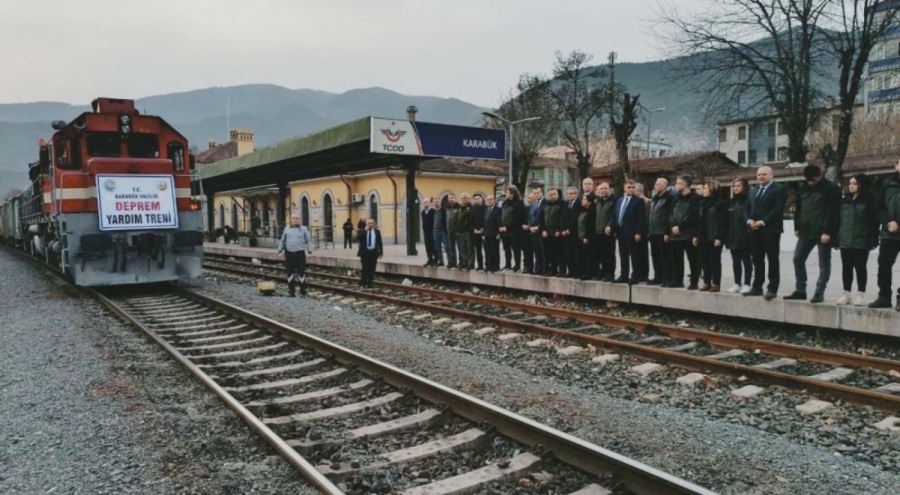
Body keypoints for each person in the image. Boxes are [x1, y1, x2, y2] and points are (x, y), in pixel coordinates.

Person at [785, 165, 841, 303]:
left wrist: (827, 231)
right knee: (798, 258)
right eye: (808, 180)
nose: (811, 183)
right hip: (805, 231)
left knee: (823, 263)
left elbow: (833, 212)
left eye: (813, 180)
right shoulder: (803, 188)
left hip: (823, 232)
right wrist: (797, 227)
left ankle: (819, 292)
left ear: (820, 175)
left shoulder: (831, 189)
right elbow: (798, 210)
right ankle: (800, 290)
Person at [743, 165, 788, 300]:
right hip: (754, 230)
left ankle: (772, 288)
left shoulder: (780, 189)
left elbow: (777, 209)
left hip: (770, 230)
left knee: (772, 259)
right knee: (757, 259)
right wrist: (748, 220)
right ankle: (757, 287)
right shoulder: (753, 190)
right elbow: (746, 208)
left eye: (764, 174)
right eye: (759, 174)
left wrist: (763, 222)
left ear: (771, 175)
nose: (761, 177)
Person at [836, 174, 879, 306]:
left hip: (862, 239)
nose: (851, 186)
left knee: (860, 267)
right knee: (846, 268)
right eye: (850, 183)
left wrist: (873, 238)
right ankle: (846, 293)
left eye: (854, 183)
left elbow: (874, 222)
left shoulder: (869, 200)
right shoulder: (844, 200)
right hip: (845, 239)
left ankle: (860, 294)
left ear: (861, 184)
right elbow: (838, 220)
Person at [869, 157, 900, 310]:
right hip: (889, 233)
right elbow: (879, 207)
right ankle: (884, 297)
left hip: (896, 227)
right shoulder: (887, 183)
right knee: (884, 264)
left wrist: (898, 223)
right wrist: (888, 223)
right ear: (896, 165)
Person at [606, 180, 646, 283]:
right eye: (629, 187)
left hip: (632, 231)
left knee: (634, 255)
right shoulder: (619, 200)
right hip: (620, 231)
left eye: (633, 187)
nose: (631, 189)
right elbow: (615, 214)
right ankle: (624, 275)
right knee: (623, 254)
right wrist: (609, 225)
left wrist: (638, 232)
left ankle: (635, 276)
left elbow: (641, 218)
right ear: (624, 188)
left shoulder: (638, 201)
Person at [665, 175, 701, 289]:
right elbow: (670, 213)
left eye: (678, 183)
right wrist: (672, 225)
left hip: (688, 232)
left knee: (693, 259)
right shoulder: (675, 197)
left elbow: (693, 215)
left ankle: (694, 282)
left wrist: (680, 226)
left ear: (685, 184)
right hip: (674, 233)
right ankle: (677, 280)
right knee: (676, 258)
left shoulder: (695, 198)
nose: (675, 185)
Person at [693, 181, 728, 292]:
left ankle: (716, 283)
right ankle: (706, 282)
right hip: (703, 235)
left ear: (713, 189)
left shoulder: (720, 203)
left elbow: (723, 221)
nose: (703, 190)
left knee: (714, 260)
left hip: (714, 236)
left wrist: (719, 237)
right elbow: (698, 221)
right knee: (704, 260)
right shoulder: (702, 203)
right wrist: (695, 235)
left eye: (705, 188)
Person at [725, 178, 753, 294]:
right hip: (733, 236)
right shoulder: (731, 202)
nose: (735, 188)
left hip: (746, 235)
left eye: (738, 186)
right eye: (734, 186)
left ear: (744, 187)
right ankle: (737, 283)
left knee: (746, 260)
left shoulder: (749, 201)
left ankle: (747, 284)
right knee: (735, 261)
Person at [277, 213, 312, 296]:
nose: (295, 220)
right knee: (290, 273)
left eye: (296, 218)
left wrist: (309, 251)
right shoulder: (286, 229)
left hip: (300, 253)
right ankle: (291, 292)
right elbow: (282, 240)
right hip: (289, 254)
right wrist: (280, 250)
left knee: (301, 273)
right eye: (293, 218)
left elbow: (308, 240)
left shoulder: (304, 229)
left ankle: (303, 292)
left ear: (299, 219)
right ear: (290, 219)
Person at [648, 178, 675, 285]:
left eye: (657, 184)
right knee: (655, 255)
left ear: (664, 186)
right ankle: (657, 276)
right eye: (655, 184)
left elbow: (670, 215)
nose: (655, 186)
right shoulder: (655, 198)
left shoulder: (669, 198)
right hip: (653, 232)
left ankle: (666, 277)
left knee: (665, 256)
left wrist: (668, 232)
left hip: (662, 231)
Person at [593, 182, 617, 281]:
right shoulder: (598, 201)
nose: (603, 190)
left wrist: (609, 225)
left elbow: (614, 214)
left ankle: (610, 274)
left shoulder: (614, 200)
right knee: (600, 254)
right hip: (598, 231)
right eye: (601, 189)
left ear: (610, 189)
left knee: (609, 254)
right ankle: (603, 273)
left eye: (605, 188)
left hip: (608, 232)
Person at [500, 186, 525, 271]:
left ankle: (517, 265)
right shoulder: (504, 203)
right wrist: (501, 226)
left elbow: (517, 218)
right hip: (504, 231)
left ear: (512, 194)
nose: (505, 194)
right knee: (506, 249)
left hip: (515, 230)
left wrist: (507, 227)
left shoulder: (518, 203)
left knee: (515, 248)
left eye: (507, 192)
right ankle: (508, 265)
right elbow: (501, 215)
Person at [632, 183, 652, 283]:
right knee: (636, 254)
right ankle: (638, 273)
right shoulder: (632, 200)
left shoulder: (647, 201)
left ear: (640, 190)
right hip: (634, 231)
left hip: (643, 231)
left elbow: (647, 217)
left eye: (634, 188)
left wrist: (643, 231)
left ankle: (644, 274)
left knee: (643, 253)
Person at [541, 188, 563, 276]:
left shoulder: (562, 204)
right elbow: (542, 218)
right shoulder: (546, 205)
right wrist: (543, 229)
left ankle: (562, 270)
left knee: (560, 253)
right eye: (550, 195)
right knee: (550, 253)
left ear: (557, 194)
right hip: (548, 232)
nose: (552, 196)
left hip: (557, 233)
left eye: (554, 194)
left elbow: (562, 218)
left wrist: (559, 230)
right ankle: (553, 270)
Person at [561, 187, 582, 278]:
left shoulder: (579, 204)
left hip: (575, 233)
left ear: (576, 194)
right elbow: (562, 218)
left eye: (571, 193)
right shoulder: (565, 204)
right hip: (565, 233)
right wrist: (563, 229)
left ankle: (578, 272)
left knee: (576, 253)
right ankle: (571, 271)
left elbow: (576, 218)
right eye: (568, 194)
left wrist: (569, 229)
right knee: (568, 253)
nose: (569, 195)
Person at [357, 218, 383, 288]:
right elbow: (358, 238)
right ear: (366, 224)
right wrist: (365, 231)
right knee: (365, 269)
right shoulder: (362, 231)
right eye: (369, 223)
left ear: (374, 224)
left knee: (372, 269)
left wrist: (380, 253)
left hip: (373, 253)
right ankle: (363, 283)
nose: (370, 225)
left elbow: (380, 243)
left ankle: (369, 284)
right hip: (365, 253)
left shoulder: (377, 232)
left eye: (372, 223)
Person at [528, 187, 546, 274]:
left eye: (538, 193)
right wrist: (530, 226)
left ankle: (544, 268)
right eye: (535, 193)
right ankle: (538, 268)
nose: (536, 195)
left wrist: (538, 227)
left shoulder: (545, 203)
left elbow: (545, 217)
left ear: (542, 193)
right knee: (536, 251)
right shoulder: (533, 204)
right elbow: (530, 216)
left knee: (543, 251)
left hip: (541, 230)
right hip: (533, 231)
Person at [577, 194, 594, 280]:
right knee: (582, 256)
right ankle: (582, 272)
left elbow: (590, 225)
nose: (582, 201)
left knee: (588, 256)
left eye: (584, 199)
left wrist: (586, 236)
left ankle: (589, 273)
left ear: (589, 202)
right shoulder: (582, 210)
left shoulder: (591, 212)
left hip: (587, 237)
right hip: (580, 236)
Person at [483, 195, 502, 272]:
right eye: (487, 200)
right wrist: (483, 234)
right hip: (487, 234)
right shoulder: (486, 210)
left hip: (494, 234)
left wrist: (498, 233)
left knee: (495, 251)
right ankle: (488, 266)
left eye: (490, 199)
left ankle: (495, 266)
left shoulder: (498, 210)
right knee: (487, 251)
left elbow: (499, 222)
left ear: (494, 200)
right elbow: (485, 223)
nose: (489, 201)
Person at [456, 193, 474, 269]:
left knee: (470, 248)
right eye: (462, 198)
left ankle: (471, 263)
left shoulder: (471, 208)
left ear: (468, 199)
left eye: (465, 198)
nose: (463, 199)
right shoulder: (460, 208)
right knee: (462, 248)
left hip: (468, 231)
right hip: (460, 231)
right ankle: (464, 262)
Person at [471, 194, 486, 271]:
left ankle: (488, 265)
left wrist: (484, 229)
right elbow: (471, 221)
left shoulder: (486, 208)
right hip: (476, 233)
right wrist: (474, 229)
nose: (477, 200)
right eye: (475, 199)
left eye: (478, 198)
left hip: (485, 232)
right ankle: (480, 265)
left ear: (482, 199)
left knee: (487, 250)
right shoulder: (473, 210)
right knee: (478, 250)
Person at [432, 199, 449, 267]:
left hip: (443, 231)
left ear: (440, 203)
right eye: (435, 202)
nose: (436, 203)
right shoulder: (433, 212)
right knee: (437, 248)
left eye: (437, 202)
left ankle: (450, 261)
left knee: (447, 247)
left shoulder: (443, 211)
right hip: (435, 232)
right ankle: (441, 261)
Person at [421, 199, 437, 266]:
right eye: (424, 203)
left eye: (426, 202)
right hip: (426, 231)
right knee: (427, 245)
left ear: (429, 203)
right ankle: (429, 259)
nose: (425, 204)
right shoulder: (423, 212)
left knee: (433, 245)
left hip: (432, 230)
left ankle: (435, 259)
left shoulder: (433, 211)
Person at [446, 195, 460, 268]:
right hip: (449, 230)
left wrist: (458, 230)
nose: (450, 199)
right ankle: (452, 262)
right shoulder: (447, 208)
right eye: (449, 198)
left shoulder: (459, 207)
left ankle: (461, 262)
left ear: (455, 198)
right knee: (451, 247)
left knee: (460, 247)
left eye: (452, 198)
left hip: (457, 230)